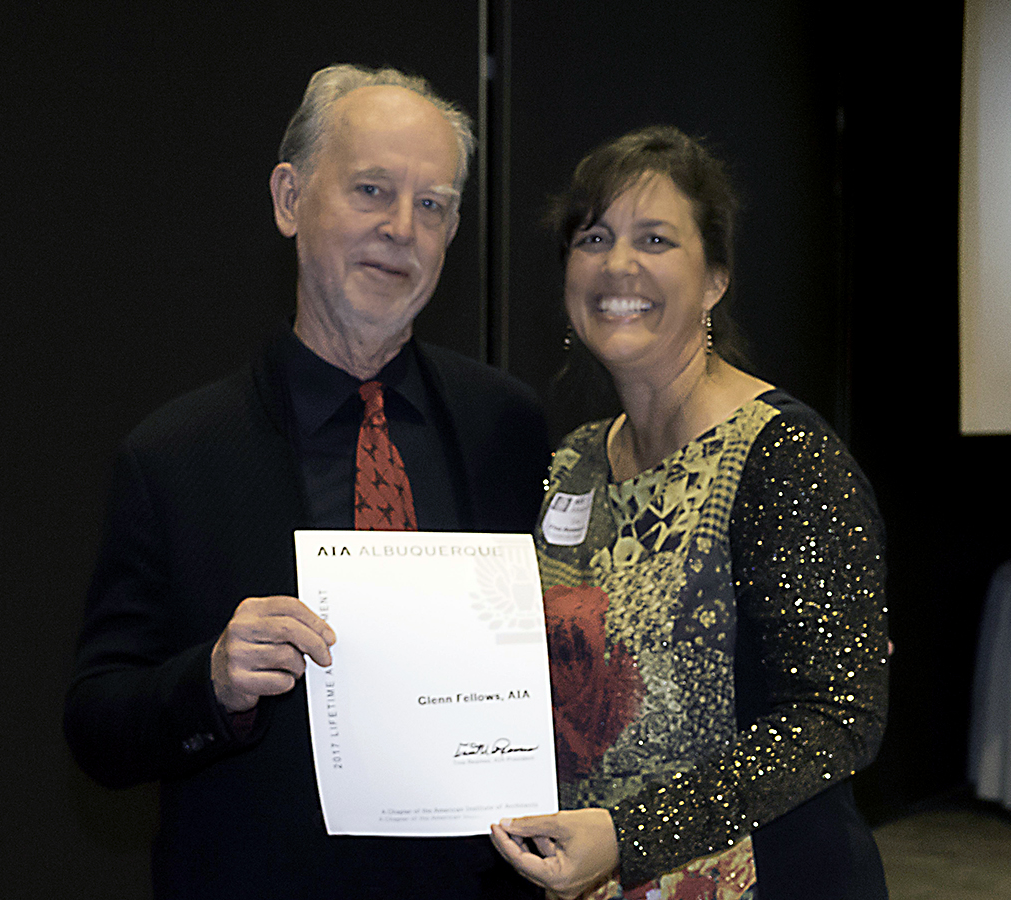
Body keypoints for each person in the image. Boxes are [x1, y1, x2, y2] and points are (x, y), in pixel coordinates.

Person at [63, 64, 549, 899]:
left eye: (431, 204)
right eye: (370, 190)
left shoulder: (507, 427)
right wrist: (211, 680)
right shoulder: (177, 454)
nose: (401, 228)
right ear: (290, 200)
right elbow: (97, 724)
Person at [490, 126, 889, 899]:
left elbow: (837, 719)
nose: (618, 264)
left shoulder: (786, 457)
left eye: (656, 239)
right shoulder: (571, 461)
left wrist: (628, 836)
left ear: (714, 279)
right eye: (594, 237)